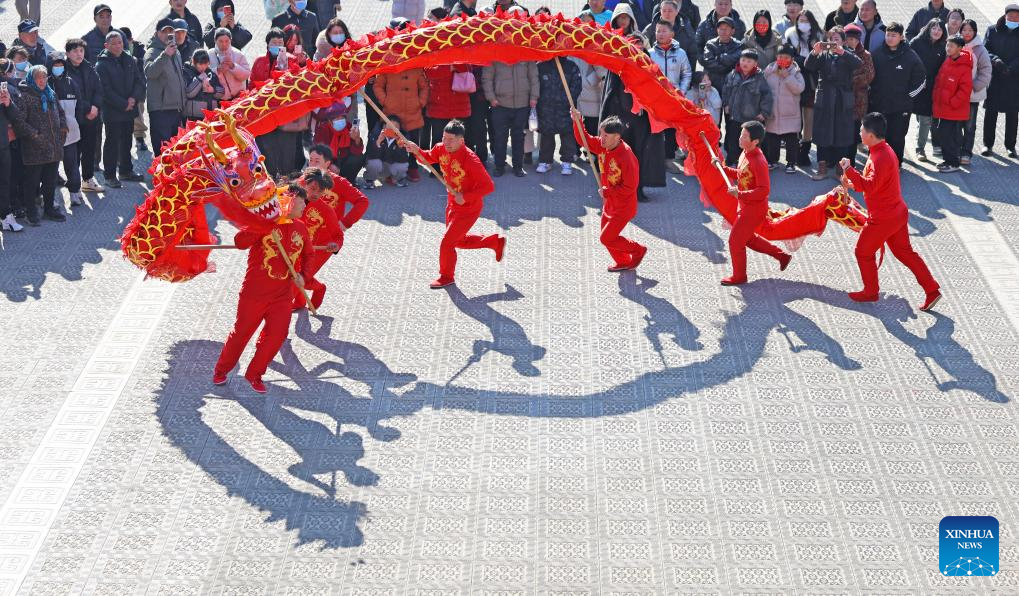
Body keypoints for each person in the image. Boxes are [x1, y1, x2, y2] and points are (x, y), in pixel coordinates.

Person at [213, 185, 315, 393]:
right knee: (242, 333)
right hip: (255, 293)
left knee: (277, 335)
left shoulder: (301, 228)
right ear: (291, 201)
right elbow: (240, 242)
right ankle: (221, 370)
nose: (306, 205)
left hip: (283, 295)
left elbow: (309, 255)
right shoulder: (264, 223)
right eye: (303, 201)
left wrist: (304, 276)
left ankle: (255, 373)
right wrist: (260, 225)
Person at [840, 113, 941, 310]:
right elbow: (872, 184)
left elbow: (870, 186)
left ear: (870, 134)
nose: (859, 132)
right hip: (896, 213)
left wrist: (849, 169)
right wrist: (851, 183)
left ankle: (871, 291)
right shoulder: (881, 150)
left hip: (883, 218)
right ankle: (932, 290)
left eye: (862, 129)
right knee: (905, 253)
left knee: (863, 252)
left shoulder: (880, 157)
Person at [400, 119, 506, 289]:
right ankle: (494, 242)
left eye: (450, 140)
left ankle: (446, 276)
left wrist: (466, 196)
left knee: (447, 243)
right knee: (458, 241)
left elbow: (489, 186)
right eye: (444, 138)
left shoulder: (470, 160)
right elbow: (427, 158)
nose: (446, 143)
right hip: (452, 203)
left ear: (461, 140)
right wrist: (416, 150)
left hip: (469, 207)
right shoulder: (440, 148)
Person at [712, 120, 791, 284]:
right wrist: (722, 168)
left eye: (745, 136)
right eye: (741, 134)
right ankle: (781, 256)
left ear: (755, 141)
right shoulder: (745, 153)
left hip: (754, 210)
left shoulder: (759, 161)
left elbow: (764, 190)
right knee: (747, 239)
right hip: (746, 206)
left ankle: (740, 276)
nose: (740, 138)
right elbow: (741, 174)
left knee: (735, 241)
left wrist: (740, 194)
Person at [571, 110, 648, 272]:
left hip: (623, 206)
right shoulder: (604, 145)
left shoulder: (626, 157)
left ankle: (638, 250)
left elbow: (630, 187)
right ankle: (622, 261)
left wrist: (608, 192)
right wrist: (578, 122)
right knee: (608, 238)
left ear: (617, 137)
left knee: (606, 238)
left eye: (606, 135)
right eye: (601, 134)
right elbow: (584, 140)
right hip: (609, 202)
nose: (601, 138)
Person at [9, 65, 66, 225]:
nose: (42, 80)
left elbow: (60, 112)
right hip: (34, 147)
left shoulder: (50, 92)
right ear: (31, 79)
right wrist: (35, 135)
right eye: (38, 78)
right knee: (31, 182)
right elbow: (19, 122)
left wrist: (63, 128)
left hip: (53, 146)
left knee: (50, 181)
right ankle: (31, 212)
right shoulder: (24, 96)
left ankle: (49, 208)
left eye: (44, 77)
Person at [806, 27, 862, 180]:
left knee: (842, 132)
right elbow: (808, 66)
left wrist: (842, 52)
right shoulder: (823, 55)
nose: (833, 42)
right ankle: (822, 167)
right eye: (831, 39)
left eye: (837, 39)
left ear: (843, 41)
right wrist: (815, 52)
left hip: (843, 99)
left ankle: (840, 169)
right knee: (822, 131)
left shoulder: (847, 54)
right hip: (825, 98)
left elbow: (858, 64)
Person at [868, 22, 926, 163]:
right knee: (877, 136)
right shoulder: (876, 53)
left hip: (900, 107)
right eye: (888, 35)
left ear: (901, 37)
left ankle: (895, 164)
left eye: (894, 35)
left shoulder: (910, 56)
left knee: (897, 137)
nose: (890, 38)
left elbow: (921, 79)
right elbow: (868, 75)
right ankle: (875, 163)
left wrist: (908, 97)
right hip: (879, 104)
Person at [96, 31, 145, 188]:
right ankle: (109, 175)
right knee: (112, 142)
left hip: (129, 108)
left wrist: (133, 98)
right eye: (114, 44)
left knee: (127, 140)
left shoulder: (129, 59)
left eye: (120, 43)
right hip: (113, 111)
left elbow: (139, 80)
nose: (118, 46)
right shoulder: (102, 65)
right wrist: (123, 103)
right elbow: (105, 90)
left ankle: (125, 170)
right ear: (106, 46)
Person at [293, 168, 342, 310]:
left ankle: (319, 288)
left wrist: (336, 245)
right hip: (289, 244)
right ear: (304, 183)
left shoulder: (326, 210)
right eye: (312, 188)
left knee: (301, 278)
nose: (315, 194)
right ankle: (299, 301)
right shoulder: (289, 197)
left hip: (312, 250)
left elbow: (338, 235)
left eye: (320, 191)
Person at [482, 56, 538, 178]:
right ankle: (499, 167)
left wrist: (534, 96)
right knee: (500, 138)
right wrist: (491, 98)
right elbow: (487, 78)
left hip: (522, 104)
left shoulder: (526, 54)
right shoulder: (496, 54)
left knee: (519, 138)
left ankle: (518, 167)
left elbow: (534, 77)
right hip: (500, 104)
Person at [374, 67, 428, 181]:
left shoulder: (416, 67)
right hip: (392, 111)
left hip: (413, 110)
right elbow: (378, 86)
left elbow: (424, 87)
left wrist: (421, 102)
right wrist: (385, 101)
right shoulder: (387, 67)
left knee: (413, 140)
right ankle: (389, 169)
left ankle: (413, 167)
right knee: (390, 142)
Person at [65, 38, 104, 194]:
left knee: (89, 150)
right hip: (74, 118)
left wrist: (95, 107)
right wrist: (89, 108)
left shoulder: (88, 67)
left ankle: (87, 179)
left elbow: (98, 89)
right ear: (68, 53)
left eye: (81, 50)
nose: (79, 54)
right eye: (75, 51)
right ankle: (73, 183)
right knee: (73, 153)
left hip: (91, 117)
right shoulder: (65, 71)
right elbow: (71, 95)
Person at [306, 148, 370, 243]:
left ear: (327, 164)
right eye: (311, 160)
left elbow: (362, 201)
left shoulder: (338, 182)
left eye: (317, 161)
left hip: (325, 237)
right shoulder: (304, 179)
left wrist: (345, 223)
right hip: (304, 233)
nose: (312, 164)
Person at [721, 49, 772, 166]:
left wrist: (764, 113)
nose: (745, 63)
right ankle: (731, 161)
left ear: (755, 64)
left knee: (750, 142)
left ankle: (752, 163)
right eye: (743, 60)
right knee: (733, 140)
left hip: (752, 118)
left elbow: (767, 96)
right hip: (735, 116)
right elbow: (726, 90)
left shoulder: (760, 78)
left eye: (749, 61)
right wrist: (726, 104)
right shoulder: (732, 75)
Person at [784, 9, 822, 167]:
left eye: (806, 21)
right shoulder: (790, 35)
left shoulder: (819, 37)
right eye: (801, 20)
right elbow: (788, 58)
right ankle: (794, 151)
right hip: (795, 79)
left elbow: (820, 62)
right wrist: (805, 60)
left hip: (812, 83)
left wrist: (808, 59)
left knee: (809, 118)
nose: (803, 24)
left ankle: (805, 151)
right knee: (794, 117)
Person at [144, 18, 187, 156]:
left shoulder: (176, 51)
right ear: (157, 33)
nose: (168, 34)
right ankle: (160, 176)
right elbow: (150, 72)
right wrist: (165, 55)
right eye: (164, 31)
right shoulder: (152, 52)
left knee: (175, 149)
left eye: (171, 31)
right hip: (161, 109)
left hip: (176, 108)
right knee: (163, 150)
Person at [49, 52, 84, 211]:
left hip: (70, 132)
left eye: (60, 64)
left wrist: (76, 122)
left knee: (72, 163)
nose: (58, 68)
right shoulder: (45, 83)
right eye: (55, 65)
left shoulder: (71, 83)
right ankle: (49, 199)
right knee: (50, 169)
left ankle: (75, 192)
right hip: (50, 134)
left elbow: (79, 107)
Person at [982, 5, 1019, 159]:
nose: (1013, 19)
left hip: (1014, 78)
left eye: (1016, 17)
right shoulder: (992, 30)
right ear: (1005, 16)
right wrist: (996, 61)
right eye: (1010, 16)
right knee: (991, 112)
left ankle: (1010, 146)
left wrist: (1012, 67)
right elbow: (986, 49)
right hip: (995, 77)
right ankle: (987, 144)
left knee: (1012, 114)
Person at [933, 35, 973, 173]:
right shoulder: (948, 61)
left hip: (953, 109)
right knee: (944, 134)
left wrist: (952, 102)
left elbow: (965, 90)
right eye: (947, 45)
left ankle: (953, 163)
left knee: (947, 135)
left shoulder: (964, 66)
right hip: (943, 107)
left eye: (951, 46)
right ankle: (948, 160)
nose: (948, 48)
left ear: (960, 48)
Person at [909, 18, 946, 163]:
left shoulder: (943, 47)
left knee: (925, 120)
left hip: (930, 88)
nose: (936, 31)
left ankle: (920, 149)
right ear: (928, 29)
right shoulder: (916, 42)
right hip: (913, 87)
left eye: (940, 29)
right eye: (934, 28)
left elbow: (942, 69)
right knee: (905, 118)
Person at [535, 58, 580, 175]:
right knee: (546, 135)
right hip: (546, 108)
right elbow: (535, 85)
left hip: (565, 108)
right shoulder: (541, 66)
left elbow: (577, 86)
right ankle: (545, 161)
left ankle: (567, 161)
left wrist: (567, 100)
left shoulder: (571, 66)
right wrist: (539, 100)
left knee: (567, 135)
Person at [763, 46, 804, 173]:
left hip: (790, 113)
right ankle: (772, 161)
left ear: (792, 59)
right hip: (773, 112)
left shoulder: (796, 72)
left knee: (791, 140)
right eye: (780, 57)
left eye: (786, 57)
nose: (783, 60)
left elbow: (799, 88)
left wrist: (787, 77)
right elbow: (763, 86)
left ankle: (791, 163)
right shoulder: (770, 70)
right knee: (772, 139)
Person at [310, 97, 364, 183]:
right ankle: (329, 183)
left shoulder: (348, 127)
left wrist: (356, 139)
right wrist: (329, 164)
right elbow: (317, 153)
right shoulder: (323, 130)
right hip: (328, 162)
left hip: (343, 160)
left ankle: (348, 182)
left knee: (359, 158)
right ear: (330, 121)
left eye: (342, 118)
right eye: (337, 118)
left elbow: (357, 151)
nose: (340, 120)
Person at [844, 24, 874, 169]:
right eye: (848, 38)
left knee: (854, 132)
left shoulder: (865, 55)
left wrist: (850, 80)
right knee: (843, 131)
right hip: (841, 98)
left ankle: (851, 163)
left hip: (858, 99)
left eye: (853, 39)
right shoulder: (840, 52)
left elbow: (869, 75)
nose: (850, 41)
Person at [961, 20, 991, 165]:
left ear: (975, 32)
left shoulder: (980, 49)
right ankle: (956, 150)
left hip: (972, 95)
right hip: (956, 95)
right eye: (964, 30)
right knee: (955, 124)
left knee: (969, 125)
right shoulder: (954, 44)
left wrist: (974, 86)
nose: (967, 33)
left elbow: (986, 70)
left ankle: (966, 152)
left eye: (970, 30)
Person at [423, 64, 472, 153]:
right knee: (438, 139)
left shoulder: (461, 53)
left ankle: (460, 164)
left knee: (460, 139)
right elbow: (428, 73)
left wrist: (454, 65)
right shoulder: (434, 54)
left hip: (459, 105)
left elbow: (467, 70)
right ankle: (436, 165)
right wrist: (448, 68)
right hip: (439, 105)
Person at [0, 60, 23, 232]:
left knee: (5, 181)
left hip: (3, 144)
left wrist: (8, 102)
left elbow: (16, 115)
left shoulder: (3, 88)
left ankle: (6, 216)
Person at [118, 27, 149, 154]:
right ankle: (122, 144)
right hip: (121, 90)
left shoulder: (139, 50)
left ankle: (139, 137)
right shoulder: (115, 51)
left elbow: (143, 69)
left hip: (137, 88)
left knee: (138, 114)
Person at [641, 0, 697, 69]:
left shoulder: (686, 29)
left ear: (676, 12)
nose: (667, 14)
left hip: (679, 72)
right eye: (664, 11)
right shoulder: (650, 29)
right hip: (656, 73)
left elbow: (693, 54)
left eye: (670, 11)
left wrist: (687, 74)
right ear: (660, 11)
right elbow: (641, 50)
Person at [700, 16, 743, 95]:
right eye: (721, 28)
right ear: (717, 30)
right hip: (711, 83)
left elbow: (738, 61)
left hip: (731, 84)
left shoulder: (738, 45)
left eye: (726, 29)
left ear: (733, 31)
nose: (723, 31)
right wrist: (728, 67)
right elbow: (709, 63)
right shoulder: (710, 44)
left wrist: (721, 58)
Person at [364, 116, 411, 187]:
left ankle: (398, 179)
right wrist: (378, 142)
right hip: (379, 166)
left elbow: (404, 159)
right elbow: (370, 155)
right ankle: (369, 180)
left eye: (395, 127)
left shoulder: (403, 137)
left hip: (391, 166)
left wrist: (399, 146)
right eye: (390, 126)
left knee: (403, 165)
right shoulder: (375, 134)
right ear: (384, 126)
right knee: (374, 163)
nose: (392, 129)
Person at [182, 49, 224, 122]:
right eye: (200, 64)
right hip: (193, 117)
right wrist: (199, 79)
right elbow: (189, 93)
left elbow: (222, 92)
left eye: (206, 64)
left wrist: (213, 90)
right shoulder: (186, 72)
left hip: (210, 115)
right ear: (194, 61)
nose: (203, 67)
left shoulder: (210, 74)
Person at [209, 29, 250, 101]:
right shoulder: (209, 55)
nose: (224, 44)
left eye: (227, 41)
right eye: (220, 41)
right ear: (215, 41)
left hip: (238, 98)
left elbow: (246, 75)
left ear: (230, 40)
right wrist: (217, 70)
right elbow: (204, 75)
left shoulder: (238, 54)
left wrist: (233, 66)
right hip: (217, 99)